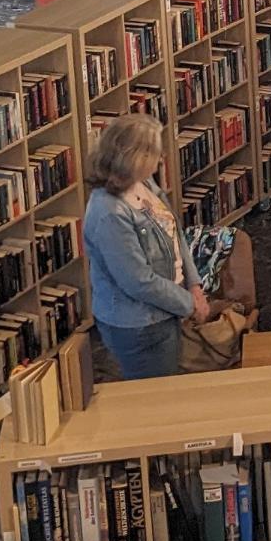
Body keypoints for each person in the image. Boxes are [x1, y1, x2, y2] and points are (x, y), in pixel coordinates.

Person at [83, 113, 206, 379]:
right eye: (154, 153)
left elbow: (173, 230)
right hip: (139, 325)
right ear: (135, 158)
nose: (161, 160)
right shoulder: (109, 213)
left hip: (165, 309)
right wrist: (189, 303)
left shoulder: (143, 182)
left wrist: (194, 285)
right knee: (157, 400)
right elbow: (138, 281)